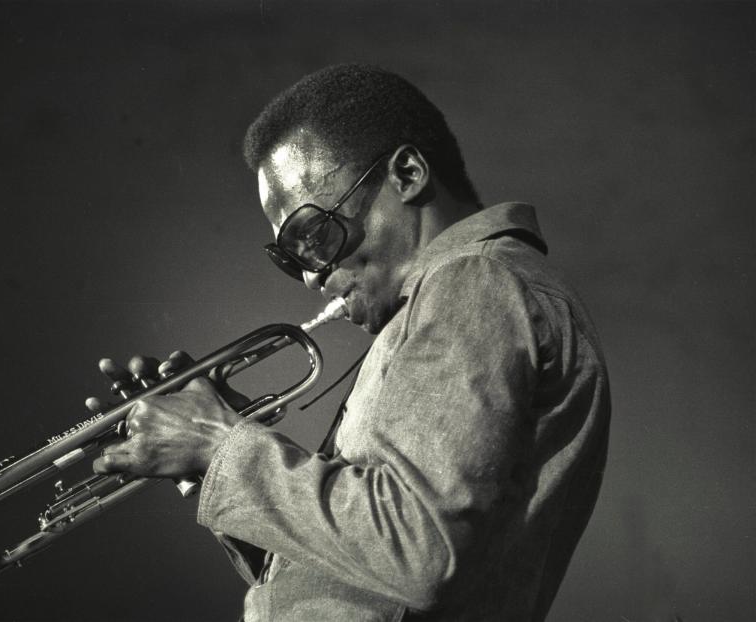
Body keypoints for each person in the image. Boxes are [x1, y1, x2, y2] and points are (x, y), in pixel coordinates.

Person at [90, 64, 611, 621]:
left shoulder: (475, 283)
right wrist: (211, 459)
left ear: (407, 174)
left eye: (311, 235)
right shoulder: (448, 298)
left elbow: (420, 551)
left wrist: (221, 445)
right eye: (290, 258)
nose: (312, 276)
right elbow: (368, 574)